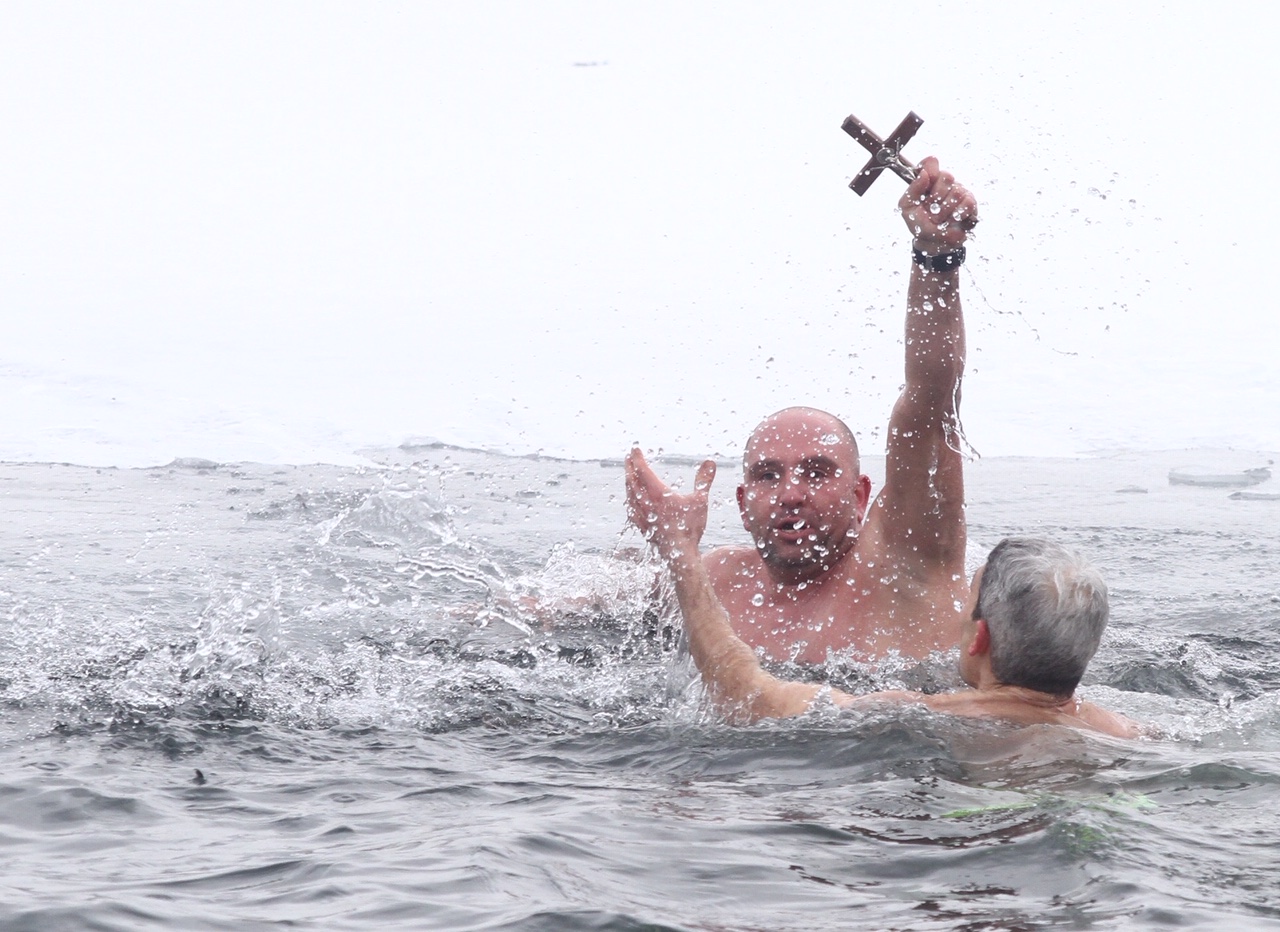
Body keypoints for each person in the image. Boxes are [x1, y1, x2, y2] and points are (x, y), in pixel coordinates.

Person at [631, 157, 976, 665]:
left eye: (817, 472)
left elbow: (931, 401)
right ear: (742, 503)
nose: (791, 494)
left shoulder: (900, 567)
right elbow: (576, 612)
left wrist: (937, 259)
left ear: (860, 495)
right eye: (768, 476)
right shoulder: (720, 579)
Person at [623, 462, 1141, 738]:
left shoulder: (919, 714)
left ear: (979, 637)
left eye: (968, 604)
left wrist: (681, 551)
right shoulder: (1127, 731)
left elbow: (742, 694)